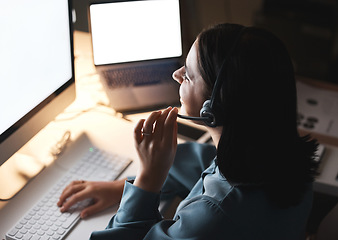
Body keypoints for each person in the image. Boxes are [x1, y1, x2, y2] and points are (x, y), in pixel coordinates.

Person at [57, 23, 319, 239]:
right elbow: (205, 163)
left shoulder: (211, 219)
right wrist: (122, 188)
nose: (176, 74)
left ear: (213, 108)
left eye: (189, 75)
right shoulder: (277, 152)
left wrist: (149, 178)